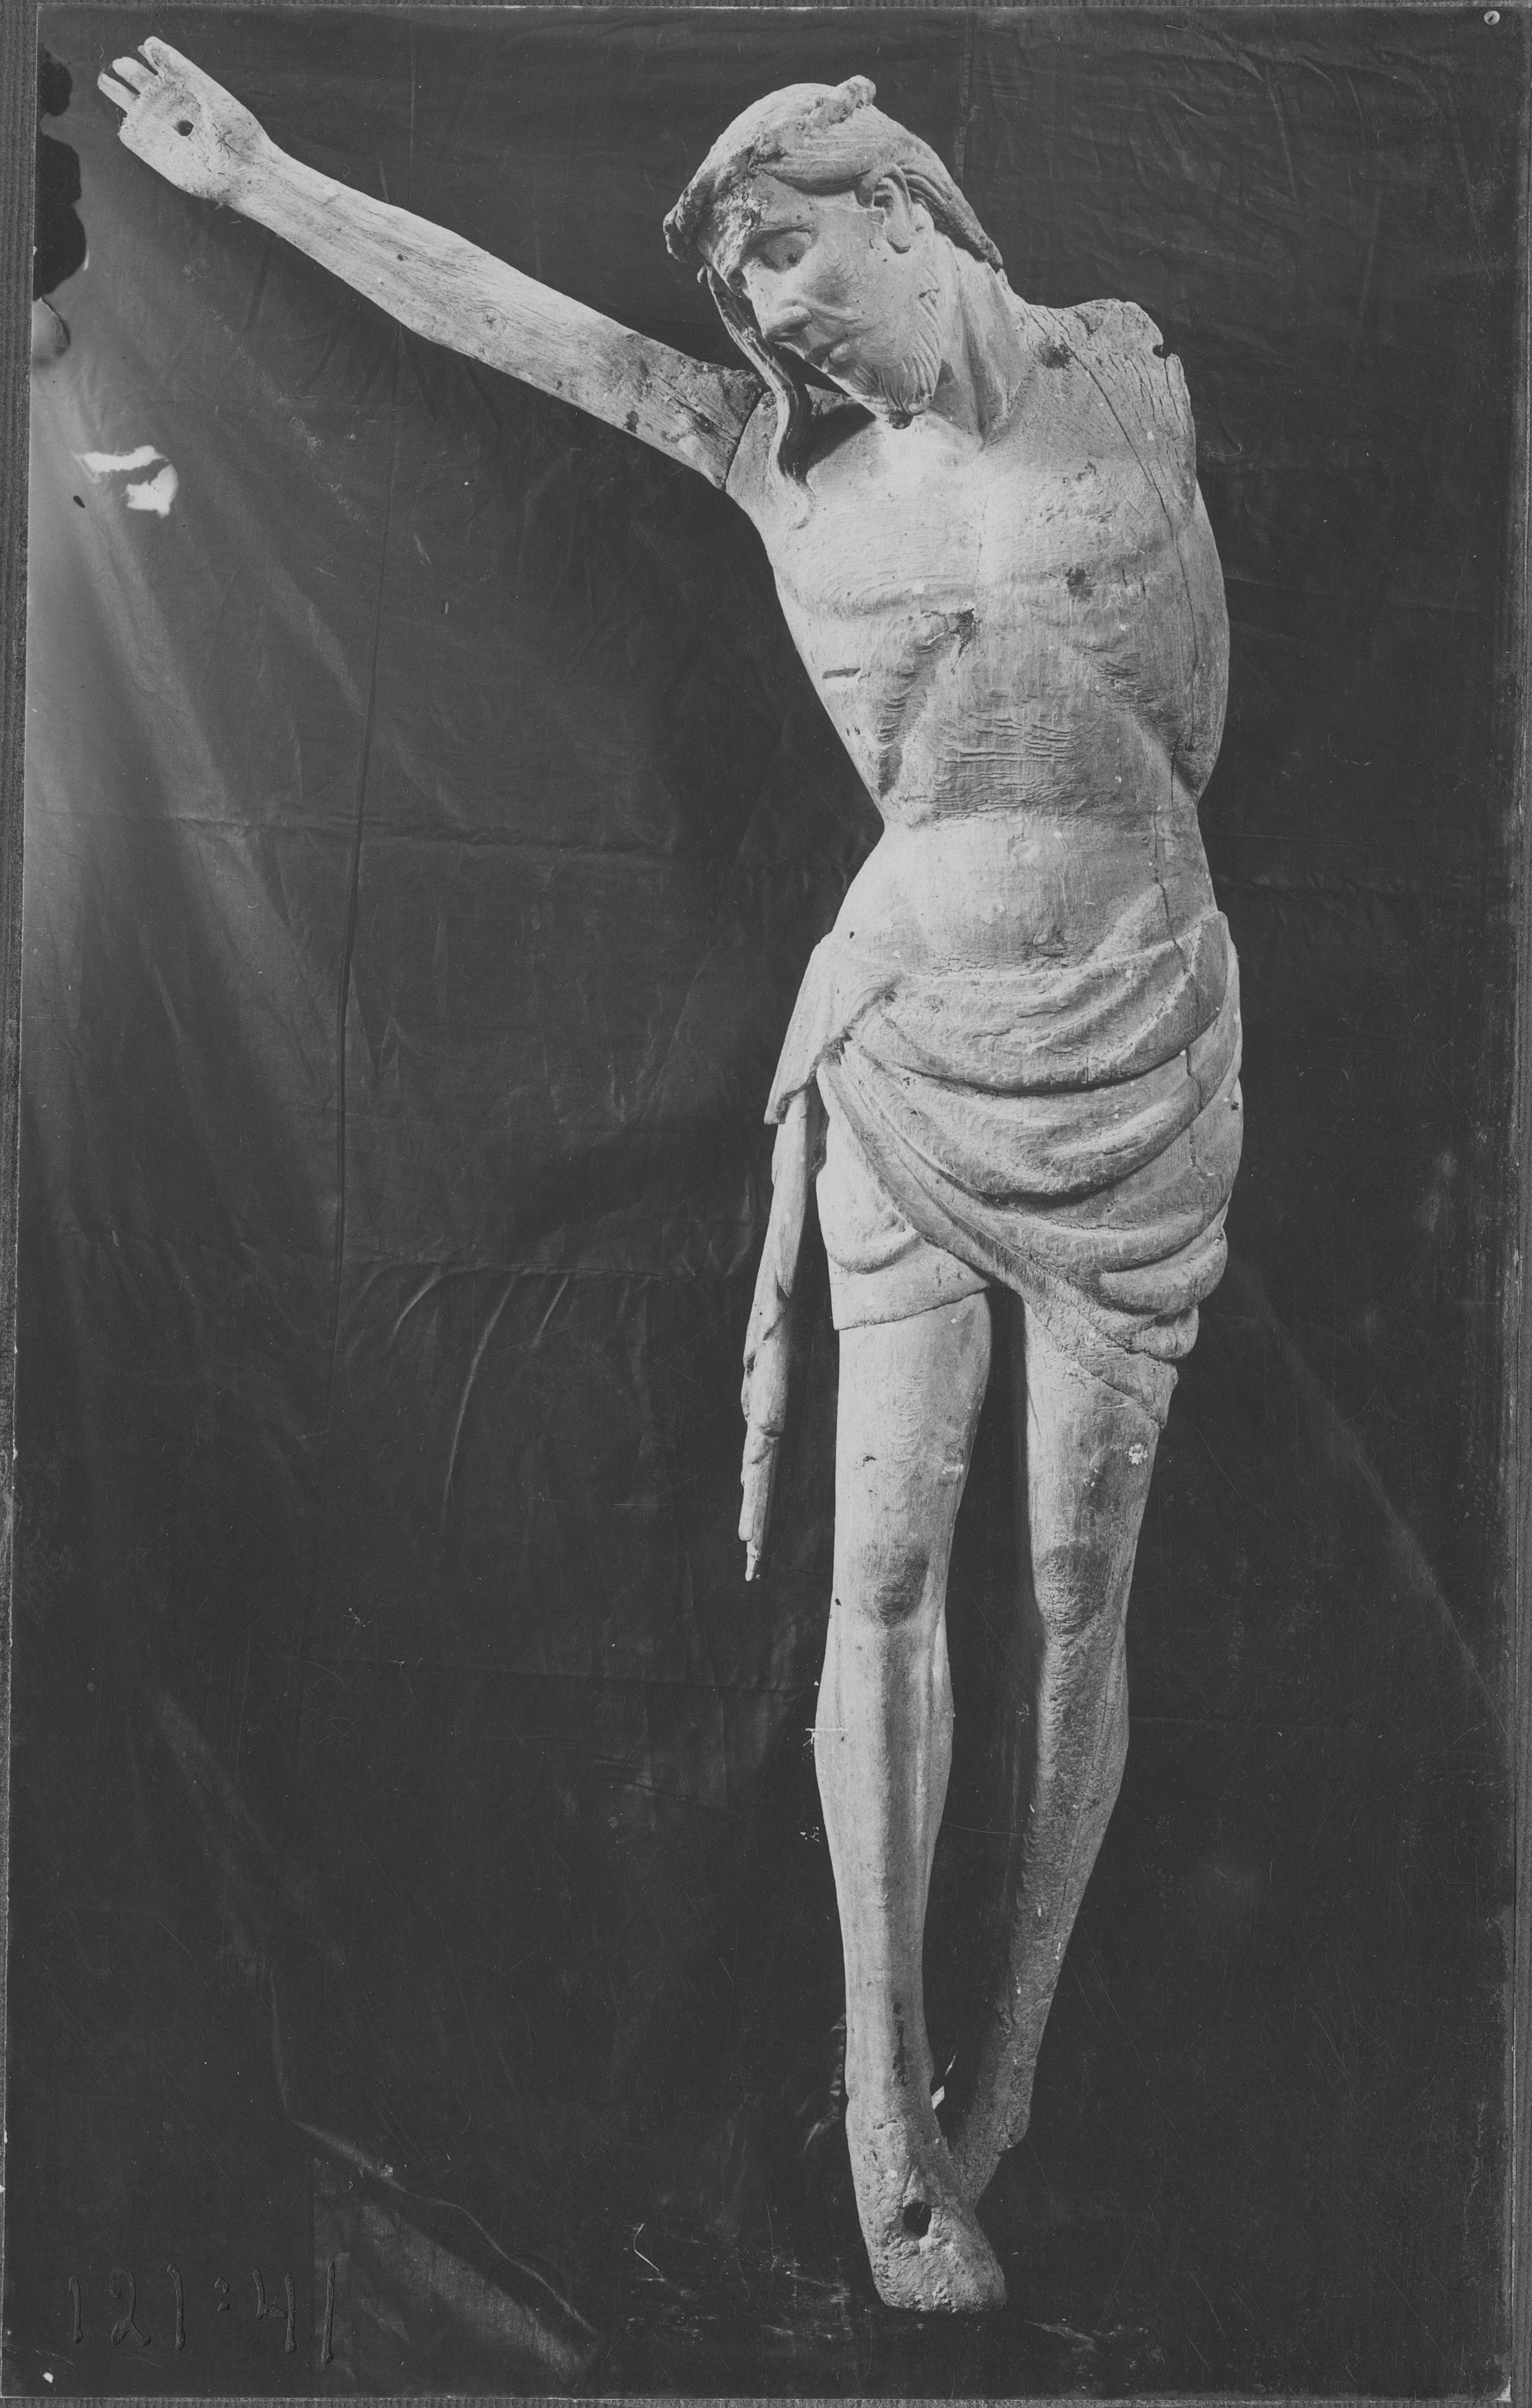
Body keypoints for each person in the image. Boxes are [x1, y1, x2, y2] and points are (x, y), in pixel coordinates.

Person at [99, 43, 1244, 2315]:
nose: (769, 317)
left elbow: (1183, 716)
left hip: (1143, 1037)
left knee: (1078, 1577)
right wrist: (268, 182)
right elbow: (518, 325)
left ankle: (1014, 2064)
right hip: (910, 1039)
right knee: (885, 1563)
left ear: (901, 205)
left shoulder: (1129, 377)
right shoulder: (775, 463)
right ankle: (886, 2103)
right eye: (738, 296)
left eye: (787, 254)